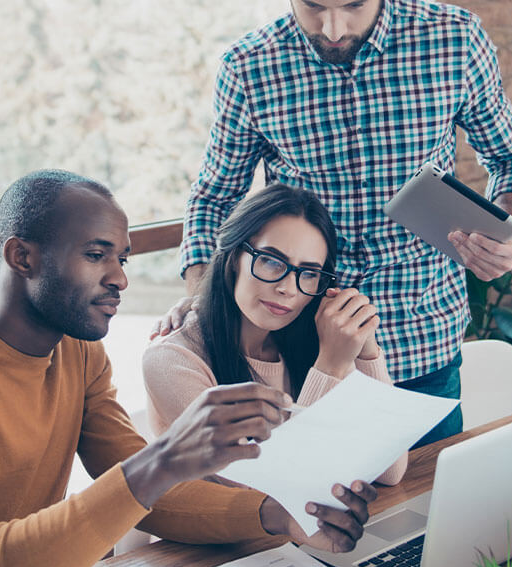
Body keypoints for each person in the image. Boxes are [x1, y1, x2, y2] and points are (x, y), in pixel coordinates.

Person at [0, 169, 377, 567]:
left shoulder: (77, 353)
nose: (120, 278)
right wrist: (162, 460)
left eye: (122, 258)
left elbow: (154, 494)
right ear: (21, 256)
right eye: (96, 255)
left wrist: (278, 515)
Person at [153, 0, 512, 447]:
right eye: (312, 7)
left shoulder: (454, 39)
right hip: (306, 353)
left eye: (354, 6)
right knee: (309, 504)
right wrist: (203, 300)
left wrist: (503, 230)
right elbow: (214, 196)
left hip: (425, 341)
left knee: (421, 504)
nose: (333, 29)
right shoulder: (249, 66)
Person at [144, 185, 407, 485]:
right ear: (233, 258)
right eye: (270, 261)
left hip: (313, 530)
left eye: (308, 273)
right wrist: (330, 367)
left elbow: (390, 471)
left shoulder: (311, 340)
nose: (289, 289)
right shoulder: (172, 360)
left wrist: (367, 352)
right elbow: (269, 490)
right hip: (227, 531)